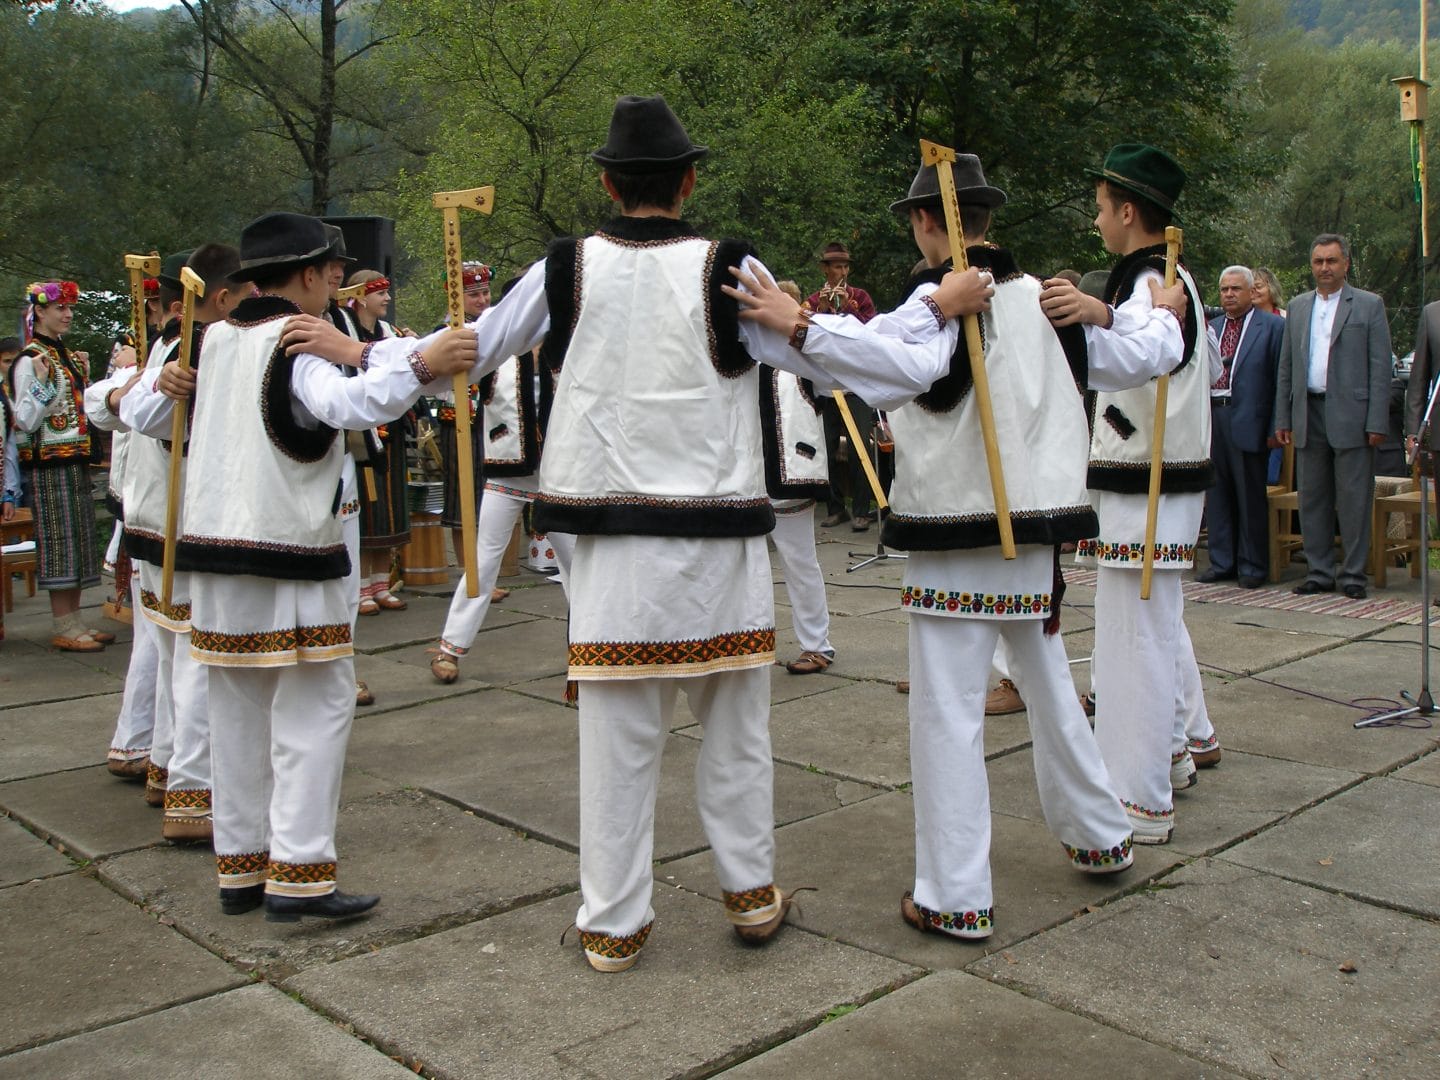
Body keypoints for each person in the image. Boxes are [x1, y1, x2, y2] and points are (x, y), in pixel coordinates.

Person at [299, 95, 990, 970]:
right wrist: (934, 309)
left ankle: (614, 923)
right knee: (735, 732)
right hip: (717, 541)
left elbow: (469, 346)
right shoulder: (729, 268)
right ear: (690, 181)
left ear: (607, 184)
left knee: (617, 741)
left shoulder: (563, 269)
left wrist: (366, 356)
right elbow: (842, 355)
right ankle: (750, 897)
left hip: (610, 543)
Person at [753, 155, 1136, 941]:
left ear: (929, 221)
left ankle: (956, 896)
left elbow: (891, 363)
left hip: (961, 533)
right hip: (1035, 532)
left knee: (948, 716)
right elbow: (1139, 355)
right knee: (1050, 689)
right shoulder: (1047, 301)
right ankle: (1101, 836)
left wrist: (798, 326)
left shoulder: (947, 304)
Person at [149, 211, 477, 922]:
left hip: (214, 554)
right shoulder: (296, 341)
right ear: (304, 275)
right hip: (288, 554)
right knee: (314, 708)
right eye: (328, 272)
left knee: (235, 712)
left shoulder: (212, 340)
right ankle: (299, 873)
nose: (334, 284)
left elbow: (160, 416)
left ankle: (240, 868)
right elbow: (352, 405)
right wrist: (425, 364)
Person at [1038, 143, 1215, 843]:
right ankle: (1171, 754)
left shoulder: (1151, 279)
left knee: (1131, 641)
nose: (1097, 221)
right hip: (1153, 479)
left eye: (1102, 208)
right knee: (1154, 628)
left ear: (1130, 212)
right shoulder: (1164, 278)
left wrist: (1094, 317)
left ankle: (1138, 800)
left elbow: (1135, 355)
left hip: (1149, 482)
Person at [117, 244, 246, 840]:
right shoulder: (198, 347)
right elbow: (141, 417)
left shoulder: (174, 343)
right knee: (197, 657)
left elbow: (129, 409)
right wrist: (159, 391)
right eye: (244, 296)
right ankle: (192, 795)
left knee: (173, 651)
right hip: (185, 521)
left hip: (160, 518)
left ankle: (166, 768)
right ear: (220, 298)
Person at [429, 274, 575, 684]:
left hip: (558, 474)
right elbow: (447, 377)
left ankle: (589, 651)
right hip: (506, 468)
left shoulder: (566, 343)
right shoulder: (495, 347)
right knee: (483, 561)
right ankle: (451, 647)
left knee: (577, 564)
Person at [85, 254, 183, 787]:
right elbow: (103, 406)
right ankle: (160, 756)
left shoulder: (171, 353)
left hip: (155, 511)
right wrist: (123, 389)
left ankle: (142, 745)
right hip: (159, 515)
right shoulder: (158, 357)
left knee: (160, 639)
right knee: (170, 644)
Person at [1273, 234, 1391, 600]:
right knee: (1313, 498)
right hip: (1308, 412)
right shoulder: (1298, 307)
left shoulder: (1369, 305)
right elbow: (1286, 367)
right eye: (1318, 261)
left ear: (1346, 264)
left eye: (1331, 261)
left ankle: (1353, 574)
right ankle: (1320, 572)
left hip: (1353, 415)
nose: (1325, 268)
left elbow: (1380, 368)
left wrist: (1377, 421)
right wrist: (1283, 417)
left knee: (1354, 499)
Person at [10, 281, 111, 653]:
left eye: (70, 309)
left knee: (78, 538)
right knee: (60, 540)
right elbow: (24, 419)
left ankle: (75, 620)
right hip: (48, 464)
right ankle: (63, 623)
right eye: (60, 309)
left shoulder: (62, 354)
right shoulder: (30, 359)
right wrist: (40, 384)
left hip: (74, 458)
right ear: (39, 311)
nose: (68, 315)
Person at [1199, 266, 1284, 588]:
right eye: (1224, 289)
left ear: (1251, 292)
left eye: (1236, 289)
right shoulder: (1213, 327)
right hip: (1214, 415)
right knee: (1217, 494)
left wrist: (1276, 426)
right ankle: (1222, 562)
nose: (1229, 295)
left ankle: (1252, 566)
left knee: (1249, 497)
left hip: (1250, 418)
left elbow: (1280, 379)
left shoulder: (1272, 327)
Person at [769, 280, 836, 675]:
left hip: (791, 475)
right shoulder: (742, 354)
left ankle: (816, 645)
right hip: (743, 479)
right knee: (742, 568)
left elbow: (838, 377)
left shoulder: (804, 359)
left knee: (799, 562)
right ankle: (745, 644)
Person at [345, 269, 414, 615]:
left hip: (391, 430)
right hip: (362, 435)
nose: (387, 298)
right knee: (367, 510)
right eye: (379, 293)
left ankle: (381, 583)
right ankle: (360, 588)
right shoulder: (345, 331)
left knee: (389, 508)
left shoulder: (389, 333)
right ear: (360, 297)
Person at [808, 243, 882, 531]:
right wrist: (822, 310)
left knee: (859, 448)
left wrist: (848, 307)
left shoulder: (860, 297)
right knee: (825, 450)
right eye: (837, 267)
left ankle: (861, 510)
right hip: (826, 388)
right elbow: (801, 332)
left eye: (845, 267)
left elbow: (871, 333)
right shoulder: (812, 301)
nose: (842, 272)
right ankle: (835, 507)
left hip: (855, 387)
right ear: (825, 269)